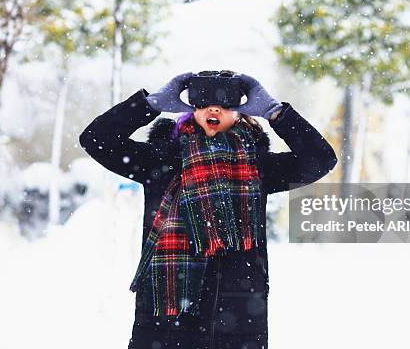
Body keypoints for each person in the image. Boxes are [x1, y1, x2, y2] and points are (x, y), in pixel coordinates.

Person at [78, 70, 338, 349]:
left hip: (237, 322)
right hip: (164, 325)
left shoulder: (257, 167)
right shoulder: (161, 160)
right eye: (203, 100)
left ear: (241, 111)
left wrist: (276, 113)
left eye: (226, 103)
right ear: (192, 107)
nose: (214, 108)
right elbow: (95, 139)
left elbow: (320, 160)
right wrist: (150, 104)